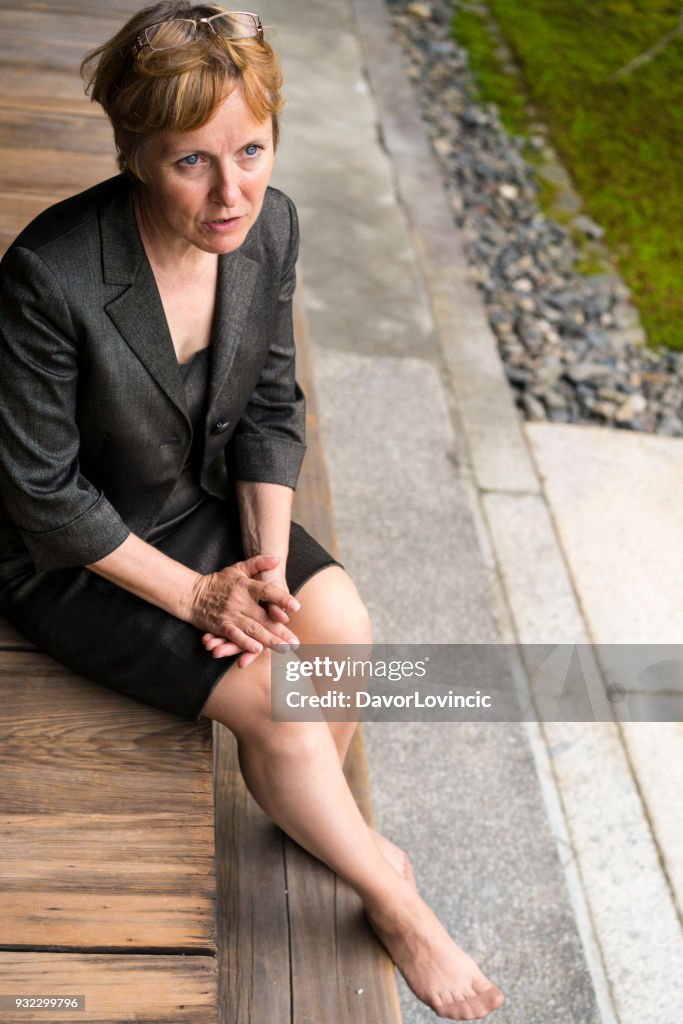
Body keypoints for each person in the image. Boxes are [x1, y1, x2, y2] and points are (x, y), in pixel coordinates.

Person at [0, 4, 504, 1019]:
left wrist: (264, 568)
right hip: (77, 548)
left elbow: (270, 404)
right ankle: (390, 896)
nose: (232, 192)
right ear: (132, 152)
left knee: (343, 628)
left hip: (200, 497)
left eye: (251, 149)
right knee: (278, 703)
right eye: (192, 162)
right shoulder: (48, 276)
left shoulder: (269, 227)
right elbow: (40, 494)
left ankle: (309, 811)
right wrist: (198, 597)